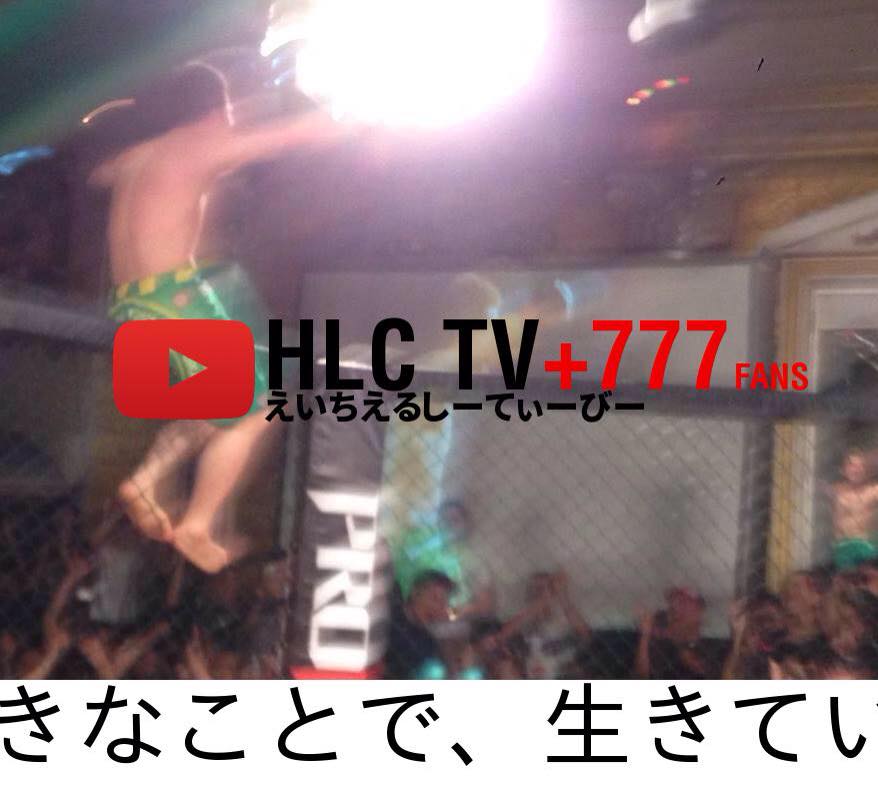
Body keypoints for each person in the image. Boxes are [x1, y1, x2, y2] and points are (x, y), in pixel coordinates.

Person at [86, 61, 354, 573]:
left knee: (216, 404)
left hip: (132, 305)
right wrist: (344, 118)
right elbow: (291, 136)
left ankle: (147, 478)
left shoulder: (142, 156)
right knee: (262, 404)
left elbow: (103, 172)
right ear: (214, 110)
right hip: (176, 299)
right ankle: (198, 522)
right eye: (228, 111)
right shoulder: (197, 146)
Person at [384, 570, 456, 679]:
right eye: (434, 599)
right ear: (415, 593)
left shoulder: (428, 644)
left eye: (443, 603)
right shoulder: (388, 613)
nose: (437, 608)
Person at [825, 448, 878, 570]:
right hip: (843, 545)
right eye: (852, 465)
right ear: (843, 470)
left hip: (866, 544)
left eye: (861, 466)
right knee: (845, 577)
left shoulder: (873, 490)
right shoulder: (835, 491)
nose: (857, 469)